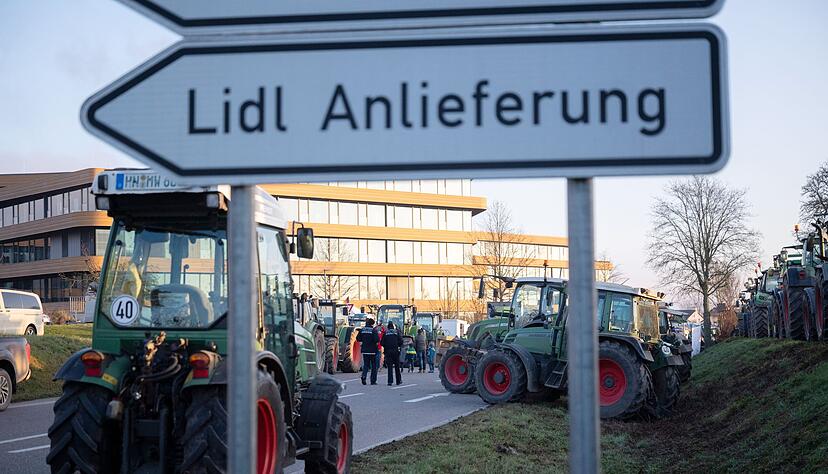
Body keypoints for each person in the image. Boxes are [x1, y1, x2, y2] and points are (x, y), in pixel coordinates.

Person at [356, 317, 379, 385]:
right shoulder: (373, 330)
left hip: (365, 350)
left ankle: (364, 376)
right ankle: (373, 381)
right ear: (372, 324)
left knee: (366, 365)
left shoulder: (362, 330)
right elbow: (377, 340)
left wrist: (364, 341)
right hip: (372, 350)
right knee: (374, 366)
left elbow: (358, 339)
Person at [381, 321, 403, 386]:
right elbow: (401, 341)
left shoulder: (385, 333)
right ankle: (398, 381)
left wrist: (386, 346)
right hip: (395, 351)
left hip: (388, 352)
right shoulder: (397, 332)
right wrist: (397, 345)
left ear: (388, 327)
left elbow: (382, 343)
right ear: (393, 327)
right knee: (397, 366)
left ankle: (390, 381)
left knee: (390, 367)